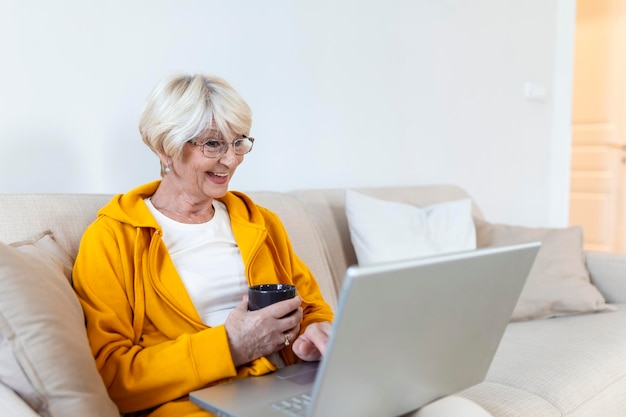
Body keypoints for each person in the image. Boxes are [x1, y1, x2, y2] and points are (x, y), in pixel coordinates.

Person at [72, 73, 334, 417]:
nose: (231, 159)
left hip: (280, 386)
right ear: (166, 147)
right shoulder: (113, 238)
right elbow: (110, 375)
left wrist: (316, 334)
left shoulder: (260, 222)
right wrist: (229, 346)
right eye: (213, 144)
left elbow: (312, 307)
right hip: (193, 403)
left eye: (238, 142)